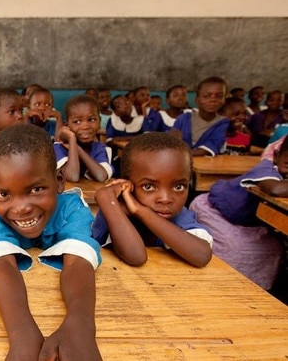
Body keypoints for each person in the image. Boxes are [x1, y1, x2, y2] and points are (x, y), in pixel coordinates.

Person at [0, 123, 102, 360]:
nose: (21, 208)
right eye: (4, 194)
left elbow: (78, 261)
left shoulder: (72, 207)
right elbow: (2, 264)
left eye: (36, 189)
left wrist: (81, 324)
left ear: (59, 180)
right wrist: (22, 335)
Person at [92, 132, 213, 267]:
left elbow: (202, 256)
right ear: (126, 185)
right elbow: (135, 257)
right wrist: (107, 198)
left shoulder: (181, 216)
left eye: (179, 187)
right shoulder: (115, 208)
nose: (166, 199)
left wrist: (141, 211)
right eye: (149, 186)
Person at [189, 137, 288, 289]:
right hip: (214, 211)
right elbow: (276, 189)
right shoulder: (266, 169)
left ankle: (257, 291)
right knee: (234, 250)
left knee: (275, 249)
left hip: (245, 221)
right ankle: (221, 286)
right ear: (276, 156)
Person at [55, 95, 113, 182]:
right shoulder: (58, 148)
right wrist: (72, 139)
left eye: (91, 119)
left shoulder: (100, 149)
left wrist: (77, 149)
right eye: (77, 122)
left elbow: (101, 176)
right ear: (67, 125)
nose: (85, 126)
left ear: (99, 121)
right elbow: (73, 176)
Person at [170, 76, 229, 156]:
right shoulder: (183, 119)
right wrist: (172, 136)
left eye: (219, 96)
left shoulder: (223, 123)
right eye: (206, 96)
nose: (213, 100)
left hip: (207, 165)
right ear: (197, 99)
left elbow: (212, 145)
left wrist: (182, 154)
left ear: (224, 99)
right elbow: (172, 139)